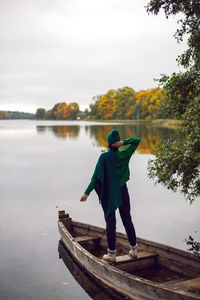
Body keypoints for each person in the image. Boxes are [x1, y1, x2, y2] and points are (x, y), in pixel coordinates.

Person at [80, 129, 141, 262]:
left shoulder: (104, 157)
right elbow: (137, 140)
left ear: (109, 143)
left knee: (111, 223)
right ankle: (134, 250)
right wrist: (123, 142)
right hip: (123, 191)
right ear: (117, 143)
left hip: (109, 193)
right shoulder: (125, 153)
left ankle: (112, 254)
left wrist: (87, 192)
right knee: (127, 219)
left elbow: (95, 178)